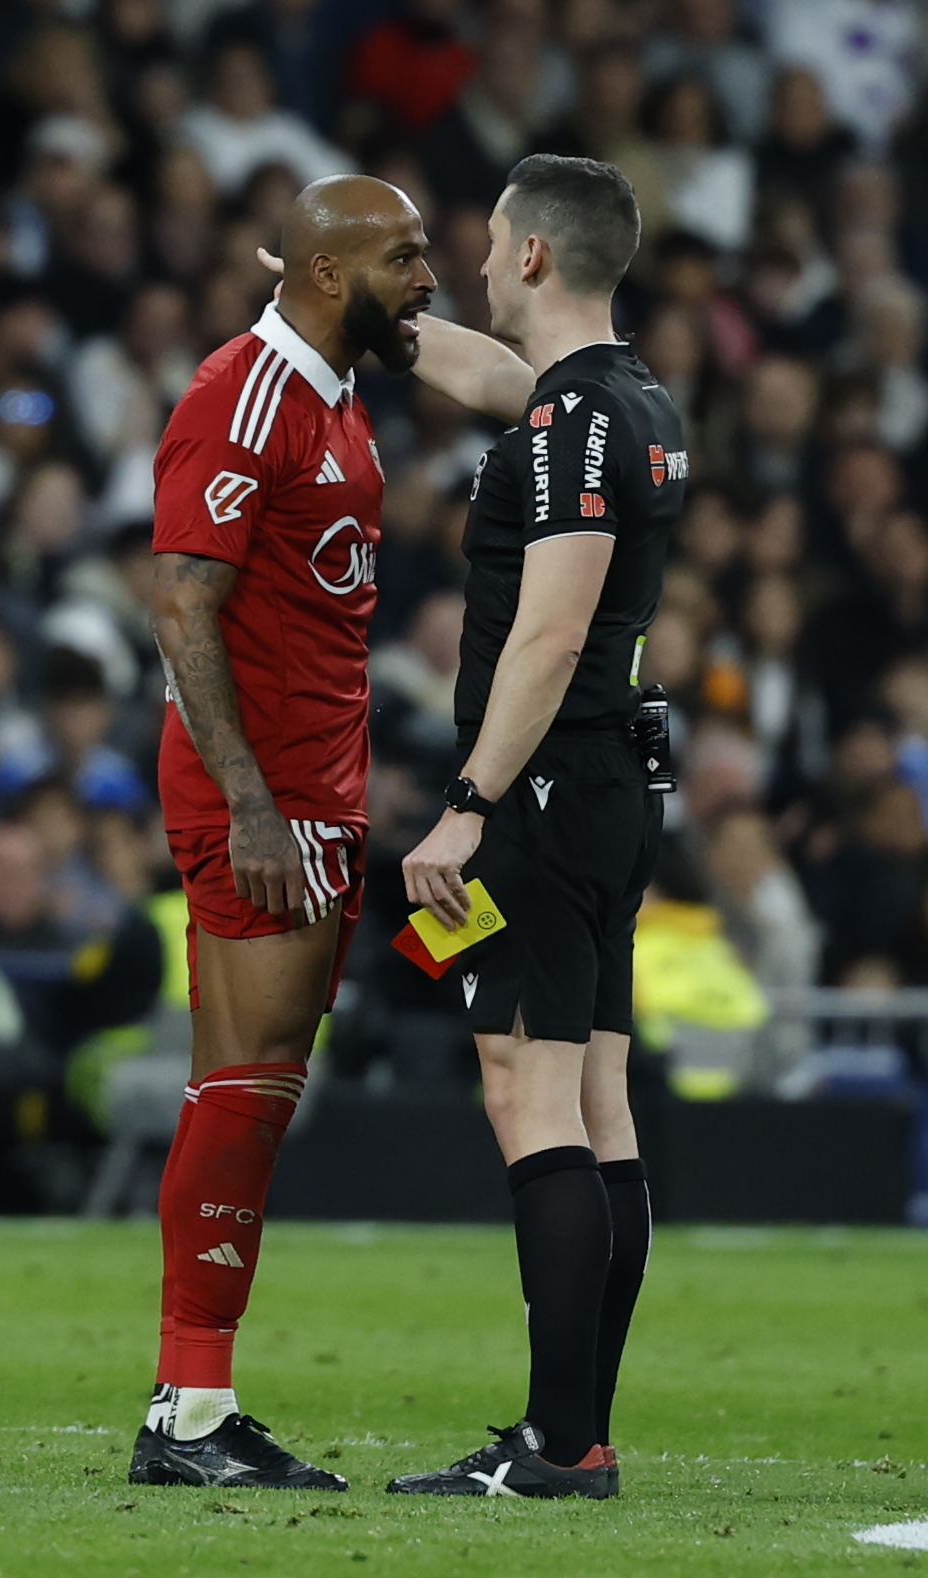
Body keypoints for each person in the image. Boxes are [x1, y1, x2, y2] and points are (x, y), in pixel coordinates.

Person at [129, 173, 436, 1492]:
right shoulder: (243, 396)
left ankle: (190, 1403)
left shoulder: (337, 399)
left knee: (254, 1088)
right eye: (407, 256)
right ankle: (191, 1410)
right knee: (248, 1092)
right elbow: (181, 606)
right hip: (263, 798)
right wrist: (250, 798)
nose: (426, 277)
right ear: (328, 274)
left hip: (318, 789)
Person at [390, 155, 688, 1499]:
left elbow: (554, 626)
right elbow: (487, 383)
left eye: (489, 236)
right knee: (598, 1096)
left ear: (526, 258)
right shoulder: (622, 399)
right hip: (608, 785)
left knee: (530, 1091)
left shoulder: (573, 425)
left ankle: (557, 1444)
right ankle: (574, 1427)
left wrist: (466, 807)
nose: (475, 252)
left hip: (546, 786)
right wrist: (348, 318)